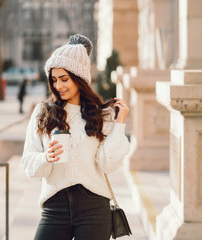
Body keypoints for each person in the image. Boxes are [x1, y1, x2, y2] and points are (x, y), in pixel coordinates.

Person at [20, 34, 130, 240]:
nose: (59, 86)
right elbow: (27, 161)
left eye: (64, 79)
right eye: (54, 80)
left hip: (94, 208)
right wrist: (46, 157)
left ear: (79, 79)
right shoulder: (42, 112)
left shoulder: (101, 114)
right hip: (55, 206)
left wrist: (120, 124)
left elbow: (107, 164)